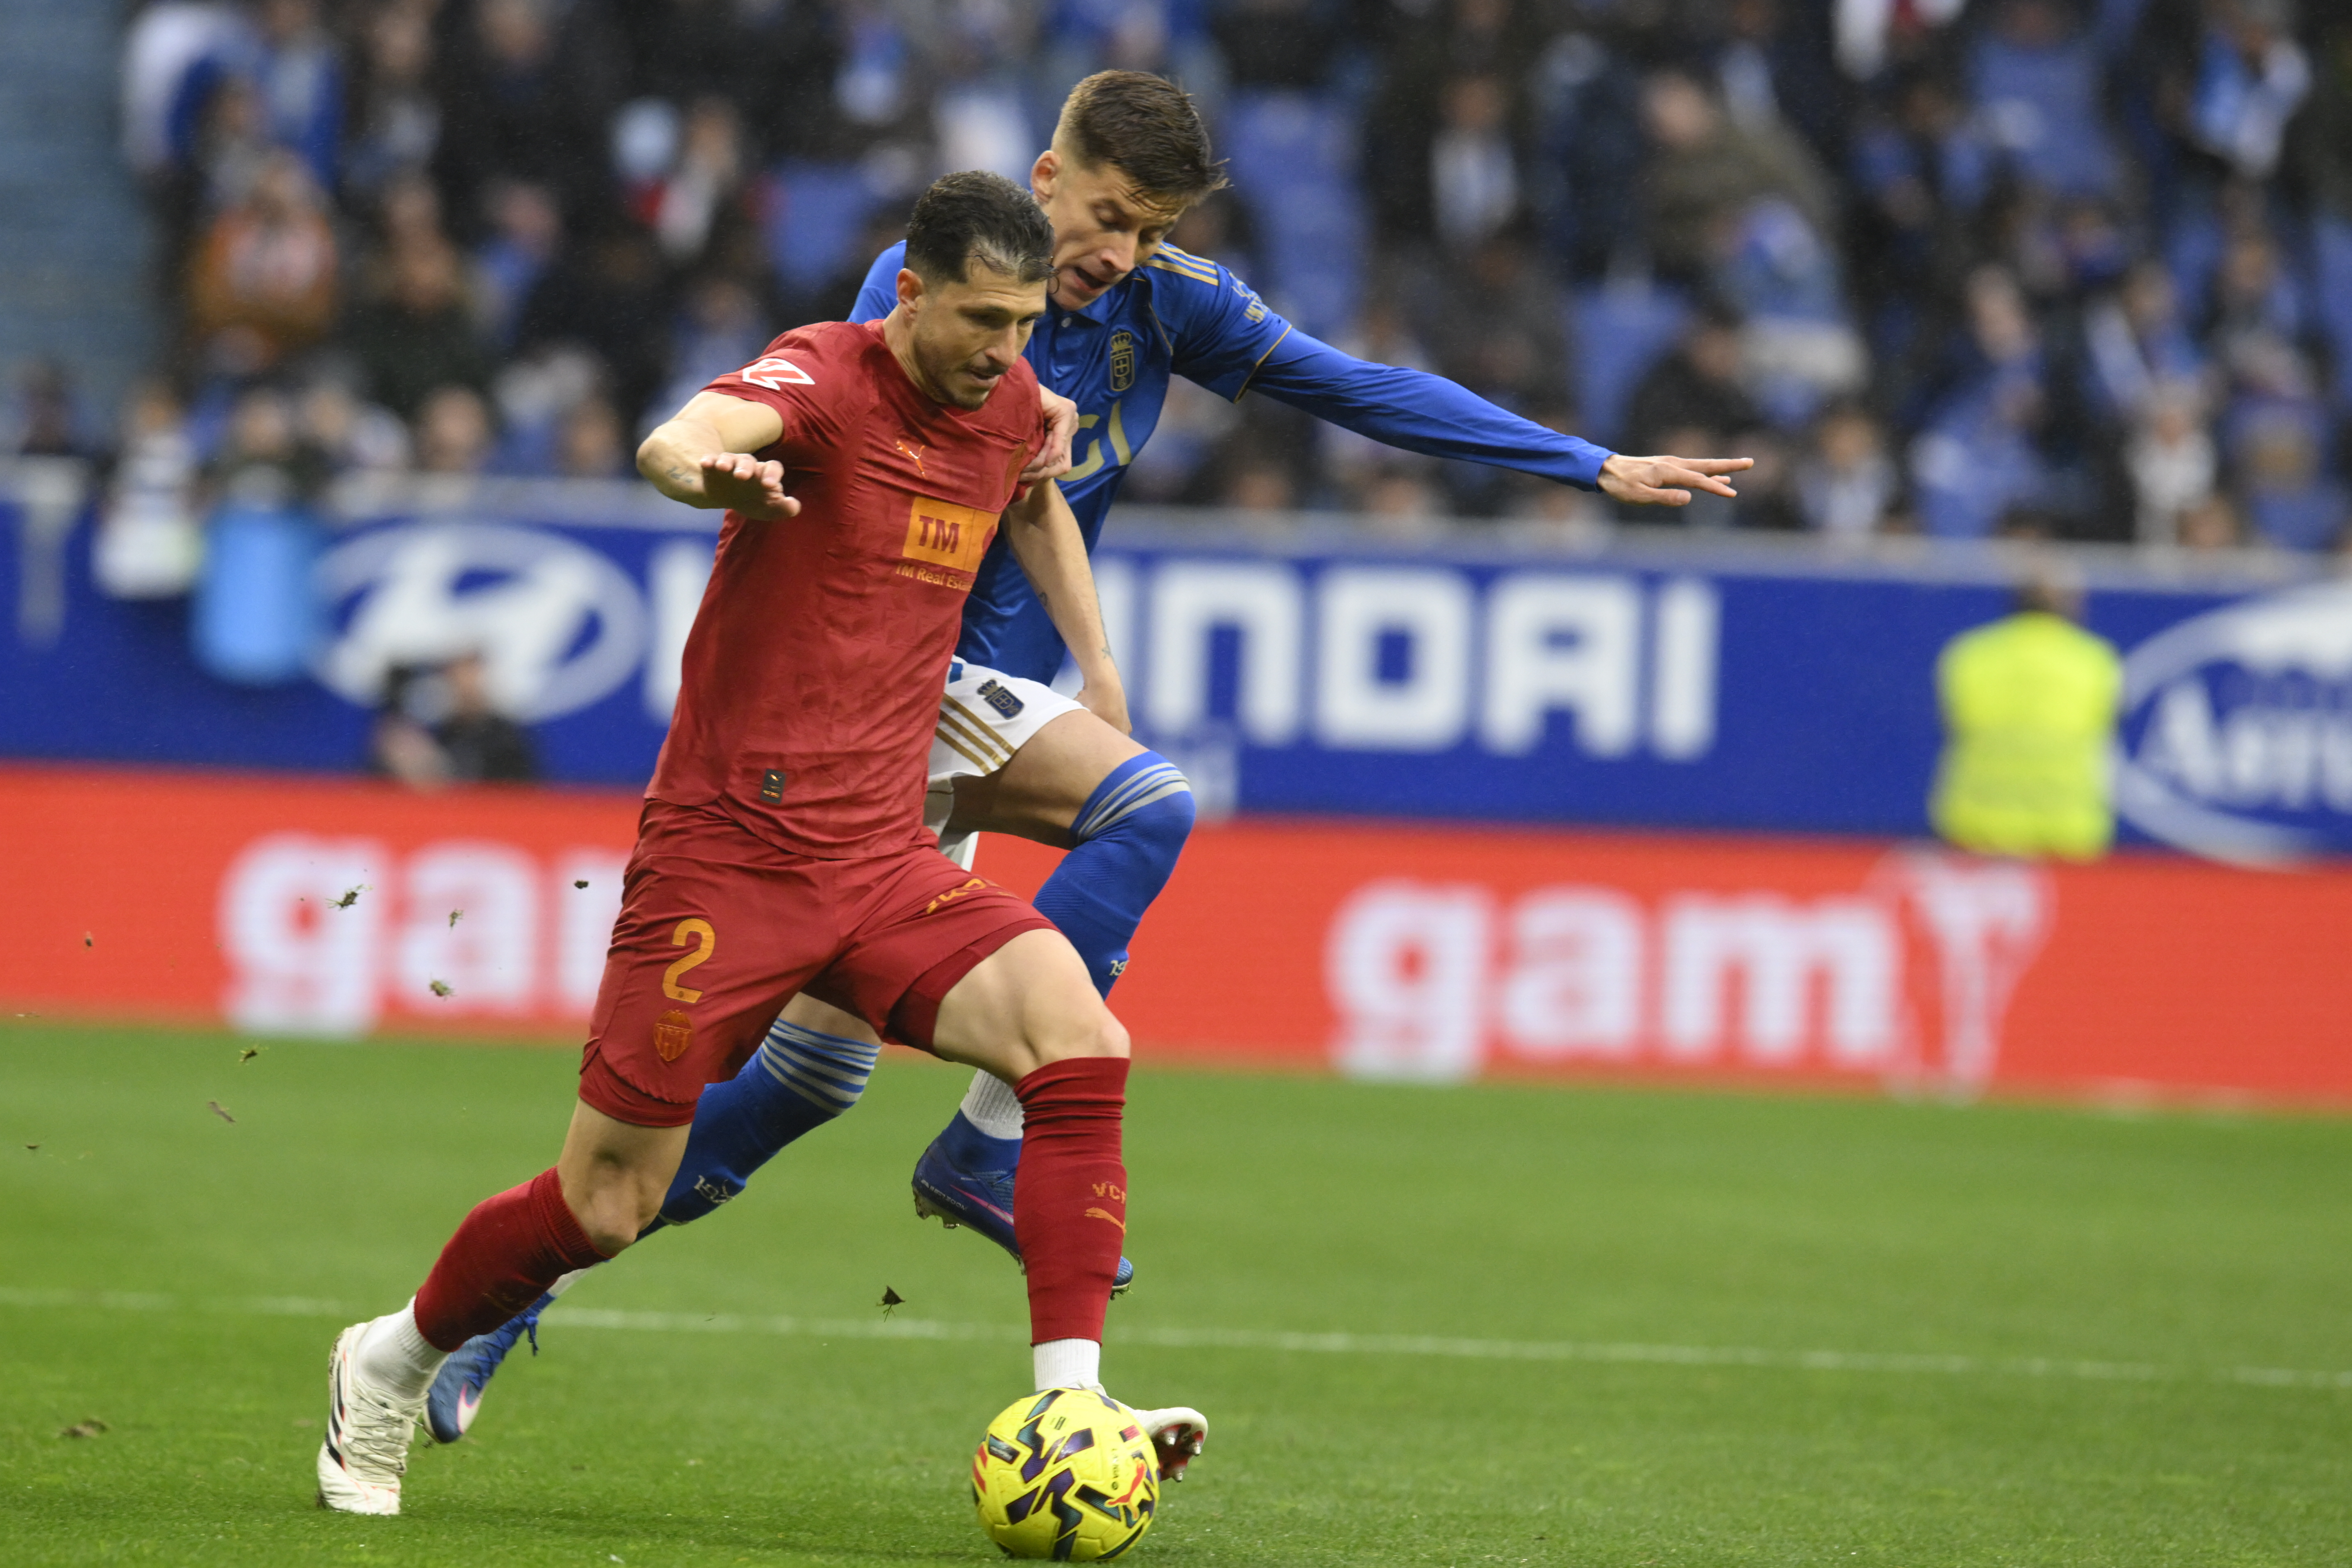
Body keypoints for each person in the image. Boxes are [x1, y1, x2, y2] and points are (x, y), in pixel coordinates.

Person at [430, 69, 1751, 1436]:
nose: (1117, 252)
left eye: (1150, 228)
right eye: (1109, 214)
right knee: (1149, 804)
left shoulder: (1162, 301)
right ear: (1049, 175)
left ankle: (518, 1300)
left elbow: (1349, 386)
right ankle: (997, 1146)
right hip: (883, 689)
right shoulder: (938, 287)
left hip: (959, 713)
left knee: (800, 1092)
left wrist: (1584, 464)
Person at [316, 171, 1202, 1516]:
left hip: (882, 856)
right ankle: (392, 1357)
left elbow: (1033, 486)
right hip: (726, 860)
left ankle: (1073, 1398)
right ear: (908, 295)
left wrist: (1099, 666)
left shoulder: (1013, 402)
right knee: (606, 1205)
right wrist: (697, 468)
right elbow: (693, 430)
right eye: (979, 318)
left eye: (1024, 323)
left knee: (1077, 1043)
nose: (1004, 350)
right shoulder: (825, 380)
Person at [1929, 568, 2123, 861]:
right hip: (2068, 829)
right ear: (2069, 604)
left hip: (1979, 825)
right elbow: (2107, 730)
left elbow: (1953, 724)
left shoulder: (1969, 654)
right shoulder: (2096, 661)